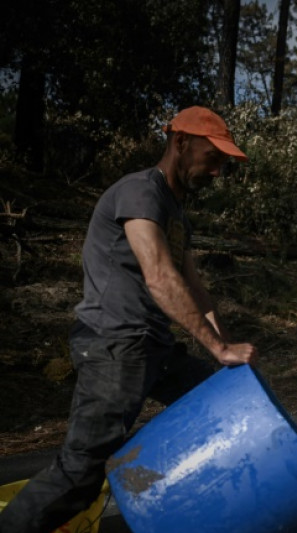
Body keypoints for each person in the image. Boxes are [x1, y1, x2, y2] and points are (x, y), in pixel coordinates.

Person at [0, 106, 258, 533]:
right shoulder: (141, 192)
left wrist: (226, 357)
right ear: (181, 143)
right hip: (114, 344)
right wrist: (219, 348)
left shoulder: (176, 212)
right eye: (213, 158)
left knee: (222, 404)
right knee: (79, 475)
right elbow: (160, 276)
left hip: (152, 346)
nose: (217, 172)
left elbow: (194, 287)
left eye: (223, 163)